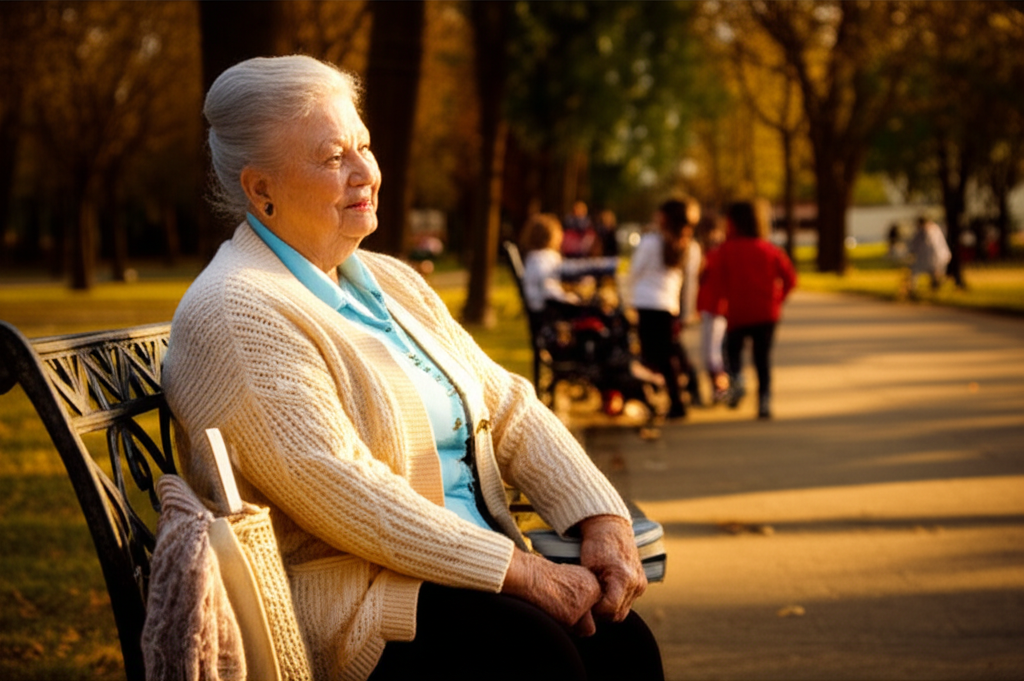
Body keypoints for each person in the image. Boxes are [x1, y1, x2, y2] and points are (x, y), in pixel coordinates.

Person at [161, 55, 661, 681]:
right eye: (332, 157)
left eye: (363, 146)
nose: (365, 172)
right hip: (355, 606)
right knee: (536, 656)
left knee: (624, 644)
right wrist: (524, 571)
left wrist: (600, 516)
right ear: (261, 189)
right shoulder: (236, 311)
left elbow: (505, 402)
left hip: (466, 577)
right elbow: (343, 486)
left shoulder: (390, 280)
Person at [707, 200, 797, 420]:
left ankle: (737, 380)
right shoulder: (769, 250)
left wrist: (718, 306)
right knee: (762, 359)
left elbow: (715, 282)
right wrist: (778, 299)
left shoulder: (725, 251)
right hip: (766, 313)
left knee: (731, 351)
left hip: (738, 314)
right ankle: (764, 401)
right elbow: (790, 279)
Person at [627, 199, 691, 420]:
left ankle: (675, 400)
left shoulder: (651, 241)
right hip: (667, 304)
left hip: (647, 303)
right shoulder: (684, 243)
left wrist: (628, 295)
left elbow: (635, 269)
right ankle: (679, 394)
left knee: (653, 356)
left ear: (663, 217)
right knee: (666, 353)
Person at [695, 217, 729, 404]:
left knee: (713, 352)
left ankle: (721, 387)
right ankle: (717, 387)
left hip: (719, 308)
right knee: (708, 352)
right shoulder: (705, 254)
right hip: (708, 307)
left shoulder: (721, 254)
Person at [907, 216, 951, 295]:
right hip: (943, 256)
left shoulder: (923, 231)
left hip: (930, 258)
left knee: (914, 270)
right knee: (934, 271)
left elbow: (914, 244)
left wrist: (911, 252)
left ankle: (912, 289)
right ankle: (935, 285)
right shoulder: (936, 228)